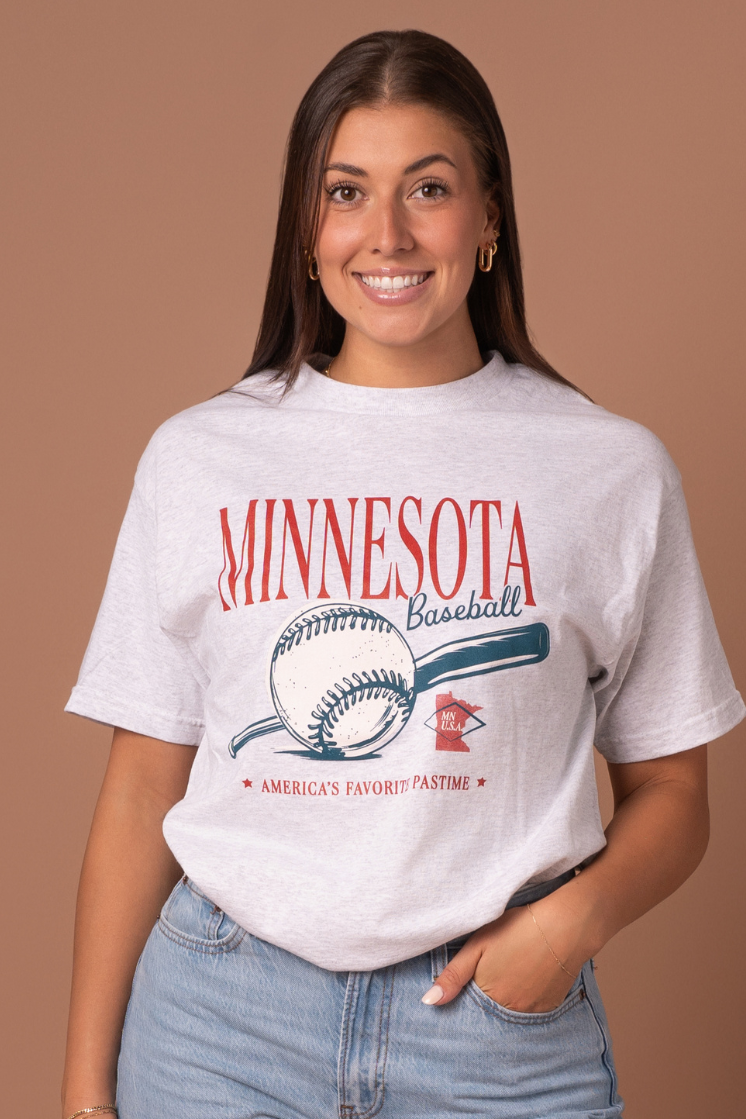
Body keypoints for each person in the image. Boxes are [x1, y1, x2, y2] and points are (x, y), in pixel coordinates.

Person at [61, 29, 744, 1119]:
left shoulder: (608, 469)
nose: (385, 234)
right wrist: (83, 1089)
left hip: (491, 1032)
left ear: (487, 218)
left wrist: (570, 923)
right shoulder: (198, 458)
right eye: (345, 192)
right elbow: (143, 785)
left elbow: (674, 795)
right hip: (219, 1026)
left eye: (427, 188)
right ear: (306, 228)